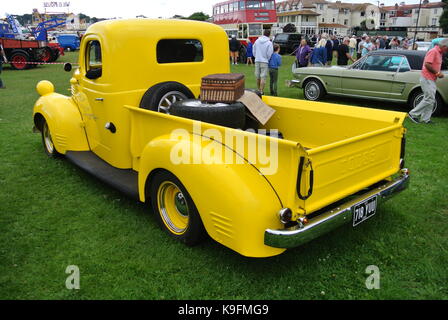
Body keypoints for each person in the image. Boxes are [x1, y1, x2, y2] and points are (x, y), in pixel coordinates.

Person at [408, 38, 448, 124]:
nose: (447, 50)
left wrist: (437, 73)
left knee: (431, 99)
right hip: (427, 78)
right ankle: (413, 114)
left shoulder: (439, 52)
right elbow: (427, 64)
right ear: (444, 46)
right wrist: (437, 73)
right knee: (429, 98)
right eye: (447, 48)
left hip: (431, 78)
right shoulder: (434, 51)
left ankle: (426, 119)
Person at [253, 29, 273, 94]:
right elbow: (269, 53)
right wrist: (267, 59)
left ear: (263, 33)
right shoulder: (269, 43)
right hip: (264, 61)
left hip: (257, 60)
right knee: (263, 77)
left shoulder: (257, 41)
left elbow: (254, 50)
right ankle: (261, 91)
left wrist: (256, 56)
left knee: (257, 76)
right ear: (269, 34)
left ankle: (258, 90)